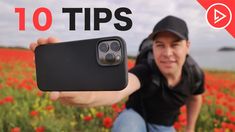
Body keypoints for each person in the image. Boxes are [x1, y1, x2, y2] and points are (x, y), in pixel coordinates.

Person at [30, 15, 205, 132]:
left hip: (164, 125)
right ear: (153, 46)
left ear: (187, 46)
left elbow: (195, 98)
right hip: (135, 115)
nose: (167, 53)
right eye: (160, 45)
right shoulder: (146, 69)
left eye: (175, 45)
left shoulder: (195, 75)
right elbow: (120, 88)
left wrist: (190, 128)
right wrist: (88, 95)